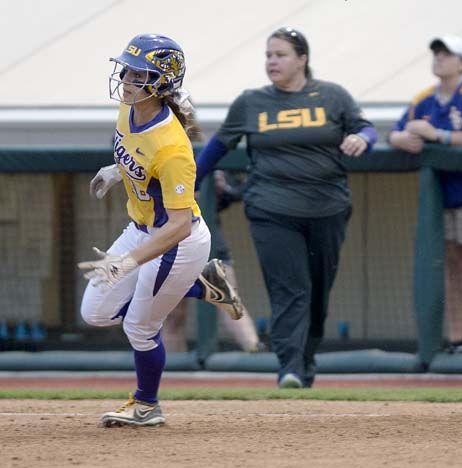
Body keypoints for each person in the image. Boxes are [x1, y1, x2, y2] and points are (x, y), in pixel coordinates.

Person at [195, 27, 377, 388]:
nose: (272, 62)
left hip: (327, 208)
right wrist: (186, 184)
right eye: (268, 55)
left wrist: (361, 138)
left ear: (302, 59)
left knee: (318, 292)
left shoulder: (332, 96)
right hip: (271, 209)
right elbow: (217, 148)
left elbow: (367, 129)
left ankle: (305, 361)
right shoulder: (251, 102)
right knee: (289, 289)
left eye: (280, 55)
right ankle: (289, 368)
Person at [78, 34, 242, 427]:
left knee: (140, 325)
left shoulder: (173, 146)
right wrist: (118, 171)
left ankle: (146, 405)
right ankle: (202, 285)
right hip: (143, 228)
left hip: (178, 241)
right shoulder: (129, 107)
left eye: (139, 73)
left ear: (162, 81)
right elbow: (137, 151)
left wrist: (128, 262)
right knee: (95, 313)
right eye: (128, 70)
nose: (128, 79)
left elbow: (180, 224)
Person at [388, 35, 462, 354]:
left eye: (447, 54)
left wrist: (436, 134)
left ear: (461, 62)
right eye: (436, 53)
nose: (439, 58)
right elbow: (397, 130)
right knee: (452, 266)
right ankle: (457, 340)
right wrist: (400, 139)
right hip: (442, 196)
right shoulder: (423, 99)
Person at [163, 170, 262, 353]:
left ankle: (255, 352)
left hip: (210, 244)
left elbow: (236, 192)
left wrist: (220, 187)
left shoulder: (208, 159)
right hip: (171, 247)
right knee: (173, 316)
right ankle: (171, 374)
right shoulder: (155, 157)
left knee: (231, 304)